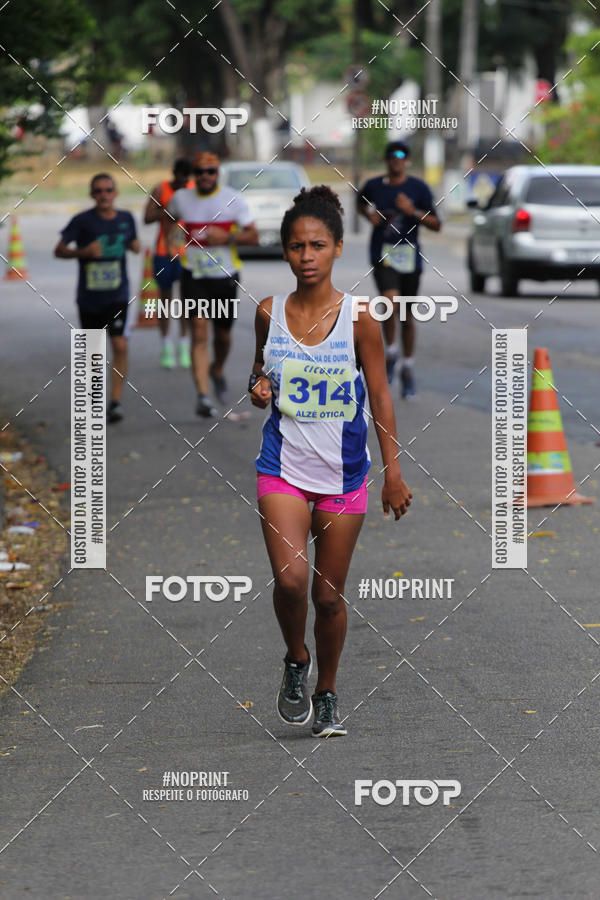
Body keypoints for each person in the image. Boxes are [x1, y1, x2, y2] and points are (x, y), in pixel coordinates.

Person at [249, 186, 412, 737]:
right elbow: (259, 374)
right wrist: (259, 388)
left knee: (328, 595)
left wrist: (393, 471)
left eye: (318, 245)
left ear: (338, 248)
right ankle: (297, 659)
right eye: (296, 247)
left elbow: (382, 396)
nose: (307, 256)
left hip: (344, 476)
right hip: (282, 470)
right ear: (286, 252)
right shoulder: (268, 313)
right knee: (292, 582)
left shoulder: (360, 319)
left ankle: (327, 689)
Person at [165, 151, 259, 417]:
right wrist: (174, 239)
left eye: (211, 171)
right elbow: (169, 220)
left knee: (223, 335)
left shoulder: (233, 200)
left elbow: (253, 236)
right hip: (193, 275)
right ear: (194, 175)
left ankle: (217, 369)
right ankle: (203, 395)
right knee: (198, 330)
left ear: (218, 174)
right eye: (200, 172)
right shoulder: (181, 198)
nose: (205, 176)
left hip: (225, 276)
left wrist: (228, 237)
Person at [357, 140, 441, 399]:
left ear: (408, 160)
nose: (396, 159)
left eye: (401, 155)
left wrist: (411, 211)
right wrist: (368, 214)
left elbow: (436, 224)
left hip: (410, 258)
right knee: (390, 301)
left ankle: (407, 365)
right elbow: (360, 202)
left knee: (407, 315)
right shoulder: (374, 186)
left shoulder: (418, 188)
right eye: (391, 155)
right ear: (386, 160)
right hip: (383, 255)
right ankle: (391, 350)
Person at [54, 173, 140, 424]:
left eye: (108, 190)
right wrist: (84, 252)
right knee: (93, 352)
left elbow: (133, 241)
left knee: (120, 344)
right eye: (99, 190)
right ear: (92, 194)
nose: (104, 194)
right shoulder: (82, 221)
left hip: (118, 295)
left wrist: (135, 246)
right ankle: (94, 400)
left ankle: (115, 402)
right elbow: (58, 250)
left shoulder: (126, 218)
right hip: (89, 298)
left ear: (115, 193)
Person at [143, 158, 194, 370]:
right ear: (174, 174)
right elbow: (146, 217)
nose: (183, 183)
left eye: (186, 179)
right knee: (165, 300)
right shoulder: (160, 189)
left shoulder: (193, 189)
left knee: (185, 301)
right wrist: (167, 211)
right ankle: (166, 345)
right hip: (164, 252)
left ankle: (183, 345)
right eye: (180, 178)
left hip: (187, 253)